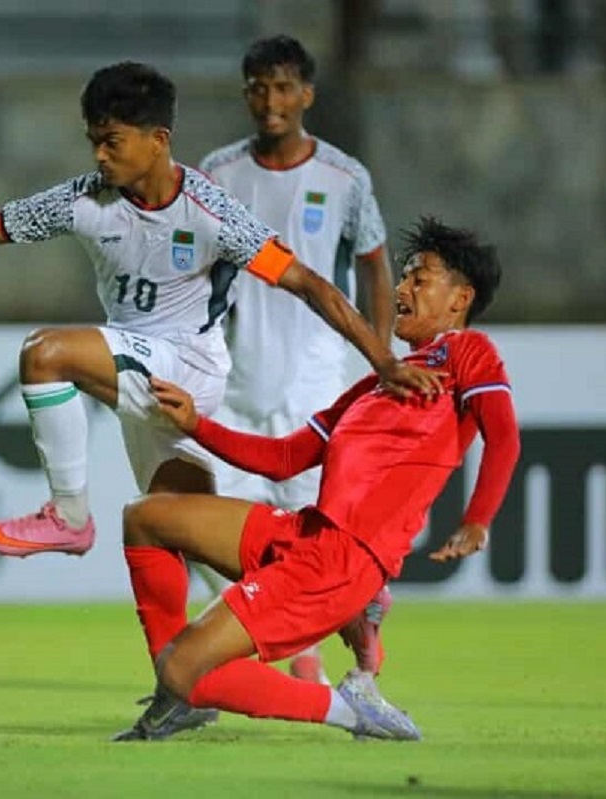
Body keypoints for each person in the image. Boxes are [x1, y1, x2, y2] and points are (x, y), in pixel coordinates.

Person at [0, 62, 440, 563]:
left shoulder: (213, 214)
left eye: (111, 142)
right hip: (138, 374)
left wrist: (383, 361)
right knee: (180, 533)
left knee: (44, 353)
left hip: (189, 367)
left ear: (158, 141)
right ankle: (331, 617)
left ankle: (69, 517)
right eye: (93, 141)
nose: (99, 156)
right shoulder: (81, 200)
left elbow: (310, 284)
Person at [113, 216, 521, 742]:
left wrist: (477, 520)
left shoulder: (467, 352)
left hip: (342, 559)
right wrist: (196, 425)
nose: (401, 289)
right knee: (147, 517)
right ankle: (178, 698)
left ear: (460, 299)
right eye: (404, 276)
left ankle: (347, 710)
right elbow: (284, 457)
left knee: (181, 668)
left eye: (420, 279)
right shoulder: (376, 385)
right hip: (307, 532)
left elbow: (504, 438)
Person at [199, 35, 398, 702]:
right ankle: (295, 649)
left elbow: (374, 265)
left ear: (307, 94)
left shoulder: (344, 177)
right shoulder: (218, 173)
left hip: (316, 381)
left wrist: (379, 358)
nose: (270, 100)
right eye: (258, 87)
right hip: (235, 380)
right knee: (216, 532)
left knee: (318, 537)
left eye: (283, 87)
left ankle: (332, 651)